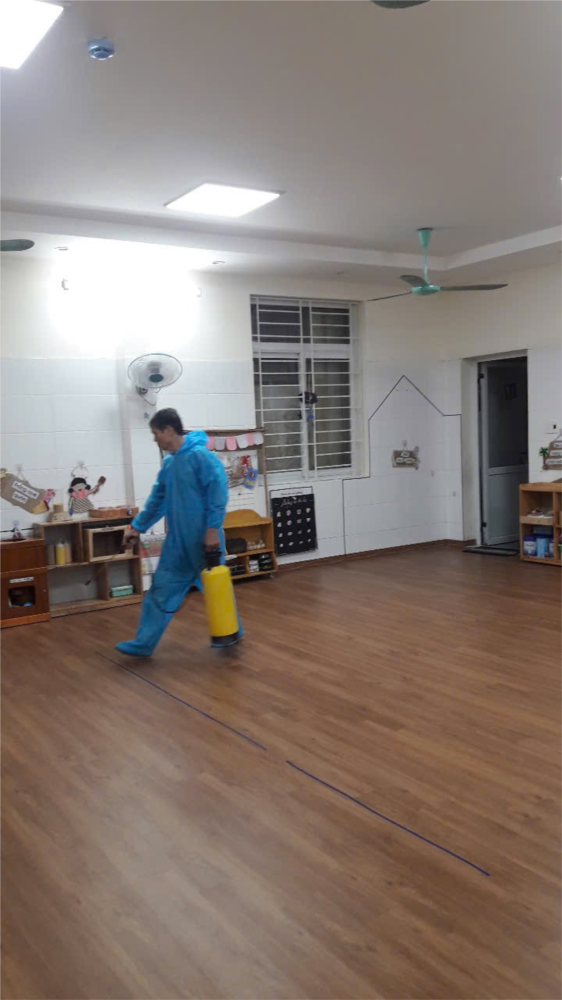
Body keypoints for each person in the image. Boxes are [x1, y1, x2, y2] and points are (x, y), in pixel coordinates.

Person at [116, 408, 240, 657]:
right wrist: (137, 527)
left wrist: (212, 529)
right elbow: (157, 500)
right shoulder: (170, 464)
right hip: (177, 544)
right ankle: (144, 643)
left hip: (204, 540)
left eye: (156, 434)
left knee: (217, 591)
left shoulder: (201, 457)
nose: (155, 439)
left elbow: (217, 494)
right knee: (160, 589)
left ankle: (231, 633)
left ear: (169, 430)